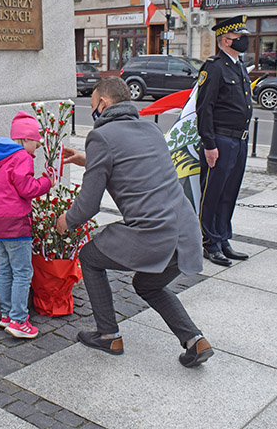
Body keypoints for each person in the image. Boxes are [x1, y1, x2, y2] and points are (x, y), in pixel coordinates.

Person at [57, 77, 213, 368]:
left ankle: (108, 335)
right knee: (148, 285)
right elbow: (135, 160)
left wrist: (66, 220)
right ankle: (195, 340)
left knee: (89, 257)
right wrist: (88, 159)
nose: (92, 109)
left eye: (92, 103)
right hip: (186, 231)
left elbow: (88, 205)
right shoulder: (151, 128)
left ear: (103, 103)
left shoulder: (101, 136)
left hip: (154, 232)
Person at [0, 111, 52, 339]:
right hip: (15, 223)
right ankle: (19, 320)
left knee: (5, 269)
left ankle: (6, 315)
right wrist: (46, 182)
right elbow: (27, 188)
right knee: (22, 272)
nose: (36, 150)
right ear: (25, 139)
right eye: (36, 144)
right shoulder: (21, 156)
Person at [196, 15, 253, 267]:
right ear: (226, 40)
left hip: (239, 141)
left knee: (229, 193)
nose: (245, 41)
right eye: (240, 37)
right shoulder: (214, 67)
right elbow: (204, 108)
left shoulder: (239, 66)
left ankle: (223, 238)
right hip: (220, 140)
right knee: (213, 193)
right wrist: (209, 144)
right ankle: (210, 242)